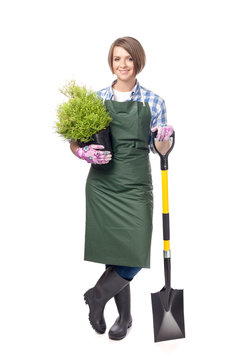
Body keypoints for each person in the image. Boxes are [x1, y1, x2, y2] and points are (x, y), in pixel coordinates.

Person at [70, 36, 173, 340]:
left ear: (137, 61)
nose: (123, 65)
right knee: (114, 255)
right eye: (117, 59)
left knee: (134, 254)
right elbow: (76, 140)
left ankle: (96, 296)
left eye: (128, 58)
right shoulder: (96, 99)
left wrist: (164, 137)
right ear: (111, 62)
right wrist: (81, 152)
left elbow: (161, 149)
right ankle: (125, 318)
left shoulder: (153, 101)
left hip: (137, 185)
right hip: (103, 185)